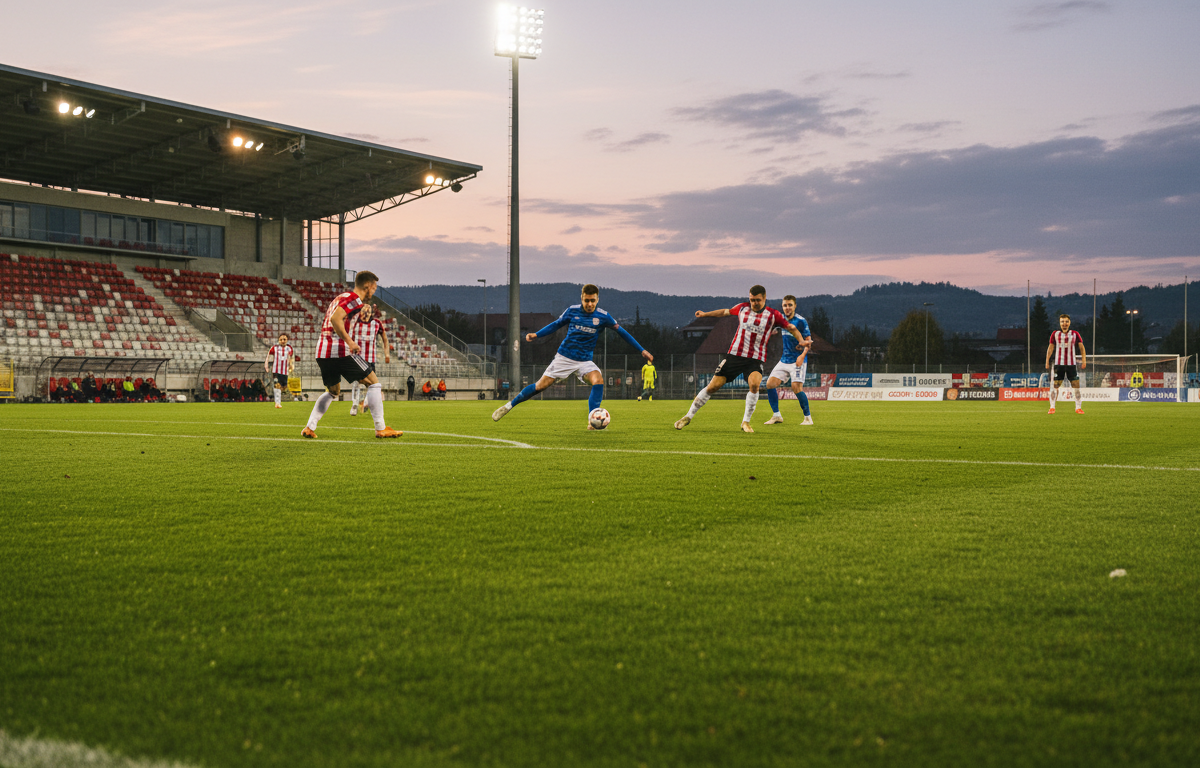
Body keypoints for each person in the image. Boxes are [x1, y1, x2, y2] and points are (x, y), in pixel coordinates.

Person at [492, 283, 653, 429]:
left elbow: (622, 332)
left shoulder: (603, 316)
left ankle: (591, 420)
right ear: (582, 298)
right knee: (540, 386)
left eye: (593, 301)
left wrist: (641, 350)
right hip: (564, 358)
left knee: (598, 380)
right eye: (587, 300)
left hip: (585, 361)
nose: (590, 304)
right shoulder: (572, 311)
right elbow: (555, 324)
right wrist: (537, 335)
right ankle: (508, 406)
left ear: (597, 300)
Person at [675, 285, 809, 433]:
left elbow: (791, 327)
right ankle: (688, 416)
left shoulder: (773, 315)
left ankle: (746, 422)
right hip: (734, 356)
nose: (754, 303)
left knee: (755, 384)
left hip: (754, 360)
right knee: (713, 387)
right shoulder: (742, 308)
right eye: (752, 300)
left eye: (757, 300)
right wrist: (705, 314)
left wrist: (801, 341)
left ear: (764, 298)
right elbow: (724, 312)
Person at [302, 271, 401, 439]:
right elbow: (335, 319)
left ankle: (309, 427)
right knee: (374, 384)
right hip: (338, 350)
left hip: (322, 351)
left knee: (333, 391)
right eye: (374, 288)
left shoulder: (341, 297)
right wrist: (350, 342)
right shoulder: (355, 299)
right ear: (367, 286)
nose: (374, 292)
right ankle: (381, 428)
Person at [762, 295, 815, 426]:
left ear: (795, 306)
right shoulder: (781, 320)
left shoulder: (801, 321)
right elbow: (774, 328)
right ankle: (776, 416)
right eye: (785, 305)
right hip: (784, 360)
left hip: (797, 360)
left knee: (796, 387)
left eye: (790, 305)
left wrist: (802, 355)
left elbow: (808, 341)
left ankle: (808, 418)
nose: (787, 308)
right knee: (770, 384)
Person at [348, 304, 390, 416]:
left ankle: (365, 402)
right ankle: (355, 404)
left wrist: (387, 354)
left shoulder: (376, 323)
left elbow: (385, 339)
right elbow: (347, 337)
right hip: (357, 358)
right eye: (364, 310)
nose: (366, 312)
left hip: (370, 359)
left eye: (368, 310)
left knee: (372, 385)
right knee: (356, 383)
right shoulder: (355, 323)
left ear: (371, 312)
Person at [1045, 313, 1087, 415]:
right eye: (1062, 322)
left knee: (1076, 386)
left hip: (1071, 365)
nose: (1064, 324)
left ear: (1069, 322)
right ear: (1060, 323)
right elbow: (1050, 348)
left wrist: (1084, 360)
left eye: (1066, 321)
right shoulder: (1055, 334)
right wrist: (1047, 361)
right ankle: (1052, 407)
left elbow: (1081, 347)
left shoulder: (1075, 334)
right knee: (1055, 386)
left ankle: (1078, 407)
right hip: (1058, 365)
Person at [264, 333, 295, 409]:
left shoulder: (289, 348)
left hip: (285, 371)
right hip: (276, 370)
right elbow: (268, 356)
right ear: (278, 340)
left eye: (284, 339)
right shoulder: (274, 348)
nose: (283, 341)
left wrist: (291, 365)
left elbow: (291, 357)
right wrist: (266, 366)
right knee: (276, 385)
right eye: (281, 339)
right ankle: (277, 403)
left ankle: (280, 397)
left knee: (283, 387)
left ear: (287, 340)